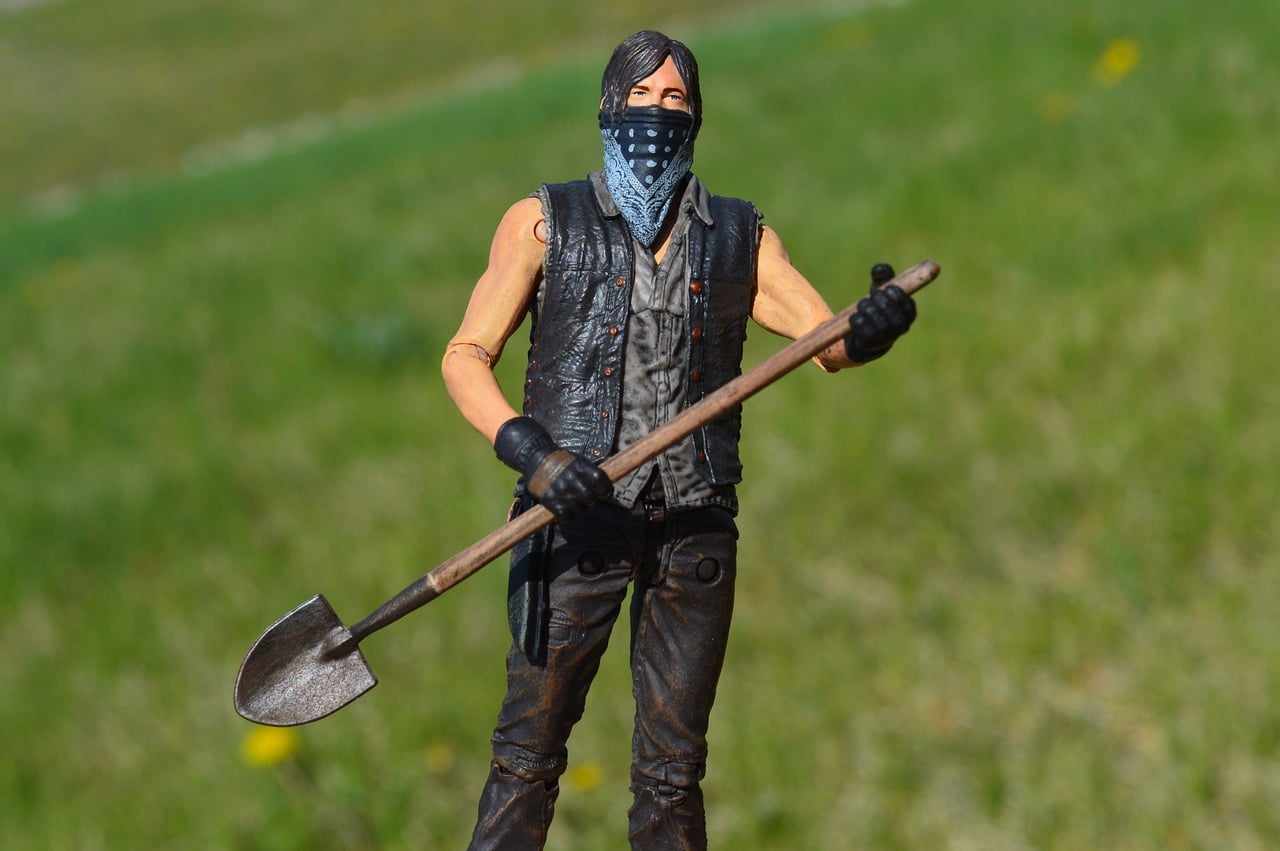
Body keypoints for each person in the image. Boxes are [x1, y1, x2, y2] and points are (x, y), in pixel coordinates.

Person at [441, 30, 917, 850]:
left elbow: (825, 341)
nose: (657, 113)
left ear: (696, 117)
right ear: (607, 108)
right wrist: (535, 456)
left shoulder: (738, 236)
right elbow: (464, 356)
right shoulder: (544, 223)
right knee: (527, 752)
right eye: (640, 97)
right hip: (575, 523)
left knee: (672, 769)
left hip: (694, 526)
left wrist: (870, 328)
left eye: (674, 99)